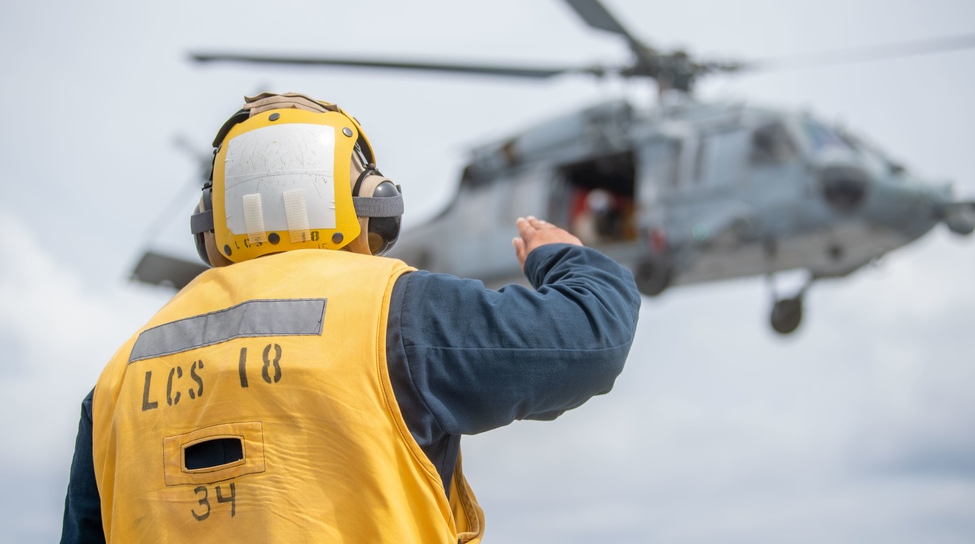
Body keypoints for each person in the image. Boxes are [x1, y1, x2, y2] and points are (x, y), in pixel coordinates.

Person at [61, 92, 641, 543]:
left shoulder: (119, 379)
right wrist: (563, 255)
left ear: (211, 223)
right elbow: (590, 338)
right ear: (368, 198)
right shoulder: (397, 313)